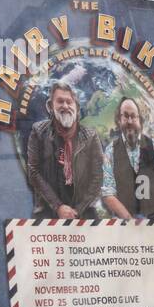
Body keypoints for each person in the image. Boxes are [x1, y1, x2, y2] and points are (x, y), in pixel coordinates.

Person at [25, 80, 103, 219]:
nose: (65, 106)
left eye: (69, 102)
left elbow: (98, 176)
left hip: (84, 213)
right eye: (60, 101)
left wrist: (77, 211)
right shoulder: (38, 132)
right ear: (50, 106)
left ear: (77, 107)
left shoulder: (90, 136)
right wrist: (58, 206)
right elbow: (34, 172)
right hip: (48, 212)